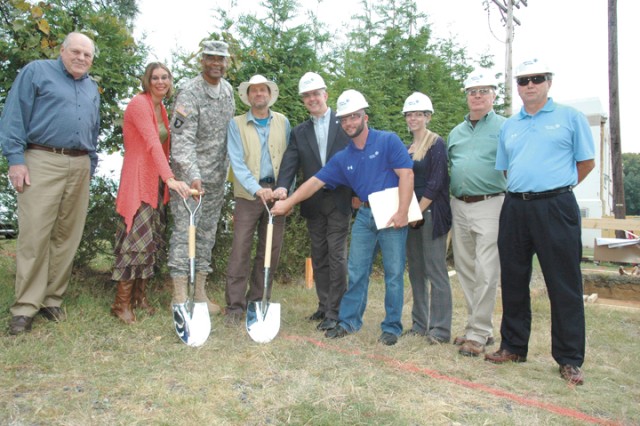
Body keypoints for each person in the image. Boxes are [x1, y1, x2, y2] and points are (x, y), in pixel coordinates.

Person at [272, 89, 413, 346]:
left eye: (354, 117)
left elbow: (406, 174)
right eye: (345, 119)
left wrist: (403, 211)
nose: (349, 123)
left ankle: (391, 326)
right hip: (365, 215)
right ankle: (349, 322)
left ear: (365, 117)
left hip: (392, 211)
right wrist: (288, 203)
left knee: (393, 273)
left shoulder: (388, 141)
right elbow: (314, 183)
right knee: (357, 270)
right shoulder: (343, 157)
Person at [485, 58, 595, 386]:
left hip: (556, 206)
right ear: (517, 87)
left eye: (536, 79)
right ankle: (514, 346)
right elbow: (506, 168)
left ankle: (569, 359)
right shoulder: (510, 126)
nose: (529, 85)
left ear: (549, 82)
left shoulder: (570, 118)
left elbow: (586, 163)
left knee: (564, 283)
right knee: (514, 279)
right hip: (516, 207)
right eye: (523, 80)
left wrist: (555, 187)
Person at [0, 32, 100, 335]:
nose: (81, 58)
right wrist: (16, 159)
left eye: (87, 55)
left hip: (80, 163)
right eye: (76, 52)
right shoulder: (36, 72)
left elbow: (93, 128)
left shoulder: (92, 87)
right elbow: (14, 116)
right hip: (41, 159)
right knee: (35, 234)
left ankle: (51, 299)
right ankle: (25, 307)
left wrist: (90, 165)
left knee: (67, 235)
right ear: (62, 50)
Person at [110, 63, 192, 324]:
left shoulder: (163, 109)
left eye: (165, 77)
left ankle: (139, 297)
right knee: (135, 241)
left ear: (170, 81)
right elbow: (153, 144)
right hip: (138, 179)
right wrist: (170, 179)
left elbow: (170, 144)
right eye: (155, 77)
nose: (160, 81)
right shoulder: (139, 104)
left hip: (154, 180)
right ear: (147, 80)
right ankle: (120, 304)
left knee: (150, 239)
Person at [273, 72, 351, 331]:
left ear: (326, 95)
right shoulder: (299, 132)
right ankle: (324, 303)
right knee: (319, 255)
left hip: (340, 199)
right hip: (313, 202)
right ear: (303, 101)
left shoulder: (345, 125)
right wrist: (283, 186)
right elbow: (290, 161)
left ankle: (336, 310)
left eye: (316, 94)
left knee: (336, 254)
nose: (312, 99)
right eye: (306, 96)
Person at [167, 40, 235, 313]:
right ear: (202, 60)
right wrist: (193, 175)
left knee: (206, 235)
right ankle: (179, 297)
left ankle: (200, 295)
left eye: (221, 59)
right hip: (189, 181)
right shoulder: (190, 91)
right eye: (210, 58)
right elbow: (181, 140)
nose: (216, 63)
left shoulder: (228, 91)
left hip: (216, 180)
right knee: (186, 235)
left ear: (226, 62)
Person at [447, 71, 507, 357]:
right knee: (466, 267)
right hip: (458, 204)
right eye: (472, 91)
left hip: (491, 203)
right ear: (467, 96)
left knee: (486, 268)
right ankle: (480, 326)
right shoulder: (455, 133)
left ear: (493, 95)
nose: (478, 95)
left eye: (484, 90)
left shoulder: (505, 128)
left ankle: (478, 333)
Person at [224, 75, 291, 325]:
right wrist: (256, 189)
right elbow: (236, 161)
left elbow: (289, 159)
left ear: (269, 94)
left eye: (263, 90)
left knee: (270, 251)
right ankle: (234, 307)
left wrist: (285, 189)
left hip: (277, 196)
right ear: (248, 96)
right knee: (240, 249)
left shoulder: (282, 122)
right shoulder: (237, 124)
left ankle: (258, 301)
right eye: (254, 91)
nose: (259, 94)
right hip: (247, 195)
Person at [402, 92, 453, 345]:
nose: (413, 118)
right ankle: (420, 325)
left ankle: (440, 330)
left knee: (436, 271)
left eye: (418, 114)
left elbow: (436, 183)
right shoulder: (406, 148)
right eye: (410, 114)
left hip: (430, 214)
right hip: (412, 216)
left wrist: (417, 211)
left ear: (428, 117)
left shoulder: (436, 144)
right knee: (417, 271)